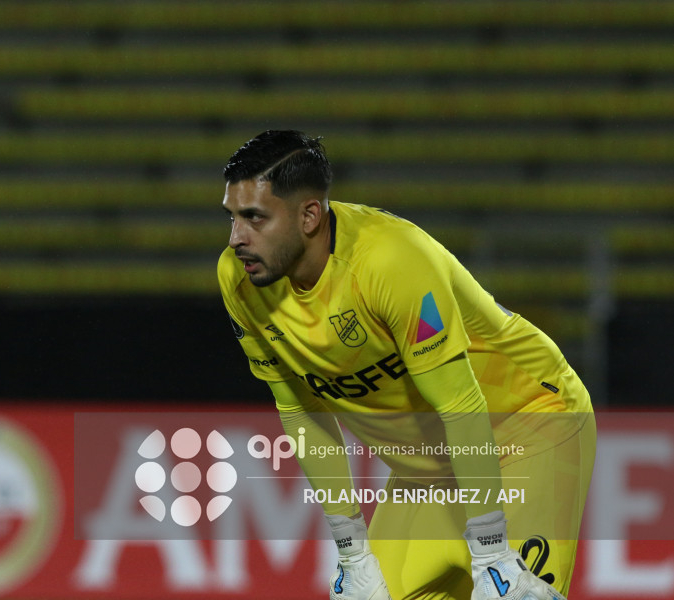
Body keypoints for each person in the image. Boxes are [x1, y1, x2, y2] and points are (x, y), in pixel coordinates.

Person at [217, 130, 595, 600]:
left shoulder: (390, 261)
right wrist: (353, 555)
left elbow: (460, 405)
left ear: (309, 216)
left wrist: (493, 552)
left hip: (527, 426)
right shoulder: (240, 281)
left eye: (254, 218)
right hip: (428, 469)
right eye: (232, 217)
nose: (236, 238)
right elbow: (302, 411)